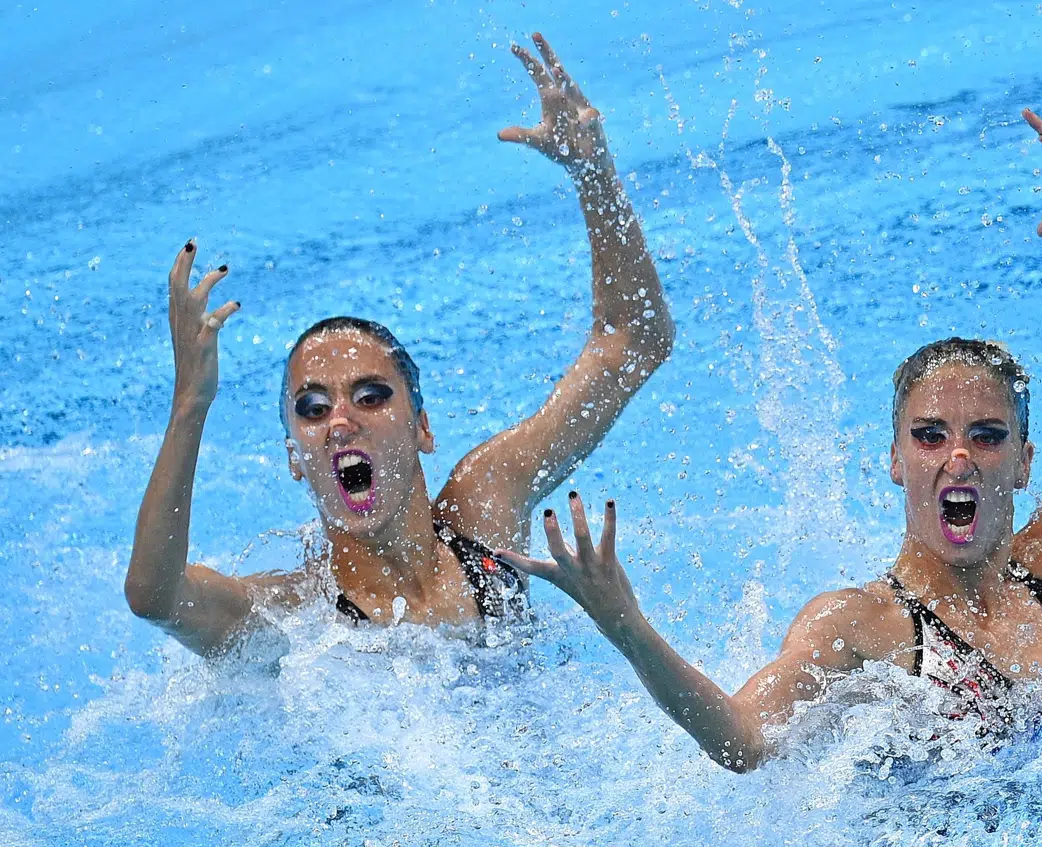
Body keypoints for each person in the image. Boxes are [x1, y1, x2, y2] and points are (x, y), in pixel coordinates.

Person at [498, 109, 1042, 771]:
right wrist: (627, 625)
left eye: (987, 436)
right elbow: (742, 740)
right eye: (930, 436)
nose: (958, 457)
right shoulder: (862, 625)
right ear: (895, 461)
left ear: (1025, 463)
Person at [124, 34, 674, 655]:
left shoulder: (484, 514)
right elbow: (156, 598)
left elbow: (634, 342)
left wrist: (593, 172)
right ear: (293, 458)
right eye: (311, 408)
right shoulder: (296, 620)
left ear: (422, 429)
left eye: (370, 395)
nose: (339, 422)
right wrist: (190, 403)